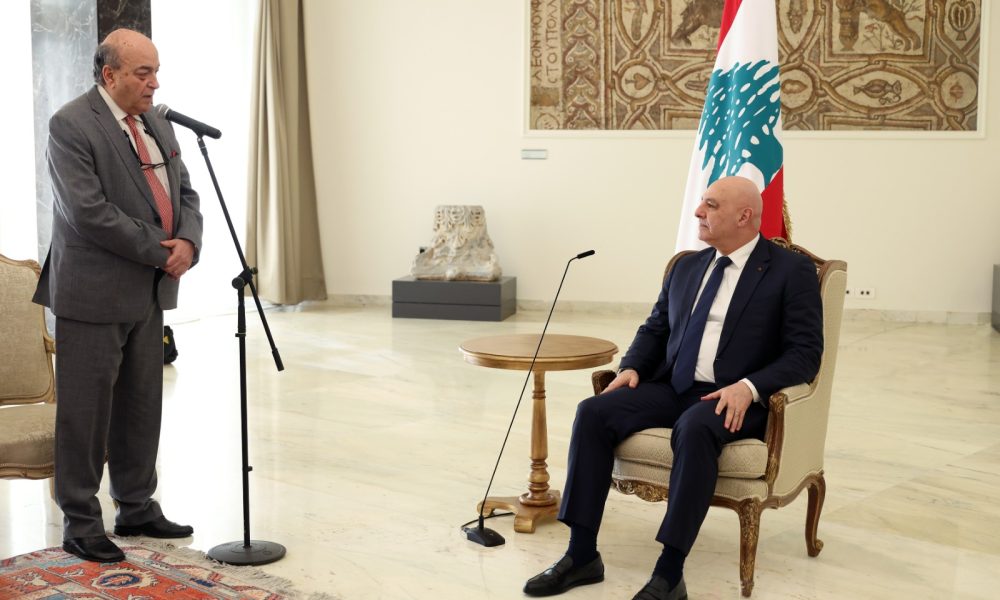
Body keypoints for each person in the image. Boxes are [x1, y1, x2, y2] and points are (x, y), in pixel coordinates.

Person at [523, 176, 823, 599]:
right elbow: (655, 328)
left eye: (711, 205)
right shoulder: (686, 266)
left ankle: (669, 572)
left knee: (695, 427)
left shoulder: (790, 271)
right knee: (593, 412)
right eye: (701, 202)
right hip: (673, 385)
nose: (698, 211)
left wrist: (749, 387)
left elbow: (805, 353)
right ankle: (581, 554)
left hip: (733, 397)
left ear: (744, 216)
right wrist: (631, 367)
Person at [33, 28, 203, 563]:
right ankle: (81, 522)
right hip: (93, 292)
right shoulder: (70, 124)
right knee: (86, 415)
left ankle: (136, 506)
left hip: (149, 290)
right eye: (143, 73)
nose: (155, 83)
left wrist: (189, 242)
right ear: (109, 75)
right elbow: (88, 213)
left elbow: (185, 190)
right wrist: (162, 250)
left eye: (156, 72)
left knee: (141, 406)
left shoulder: (157, 121)